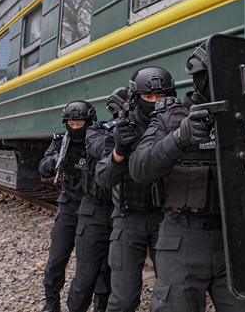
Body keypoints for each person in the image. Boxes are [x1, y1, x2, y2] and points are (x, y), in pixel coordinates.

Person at [129, 44, 245, 312]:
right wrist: (179, 138)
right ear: (200, 77)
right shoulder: (170, 118)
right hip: (183, 237)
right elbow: (139, 168)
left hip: (236, 237)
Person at [94, 67, 176, 312]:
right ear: (135, 98)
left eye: (160, 97)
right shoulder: (123, 128)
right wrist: (119, 150)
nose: (154, 102)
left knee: (171, 296)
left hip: (167, 217)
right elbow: (104, 179)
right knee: (123, 297)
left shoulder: (178, 124)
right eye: (147, 97)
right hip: (128, 217)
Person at [67, 88, 130, 312]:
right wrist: (122, 141)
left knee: (110, 277)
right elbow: (98, 148)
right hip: (94, 210)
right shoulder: (98, 130)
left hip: (121, 211)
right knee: (85, 276)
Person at [39, 100, 97, 312]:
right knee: (57, 256)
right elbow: (43, 168)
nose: (75, 129)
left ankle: (99, 303)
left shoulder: (100, 139)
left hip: (95, 207)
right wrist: (53, 162)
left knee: (93, 263)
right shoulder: (60, 141)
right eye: (71, 124)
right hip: (69, 203)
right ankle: (51, 300)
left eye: (79, 124)